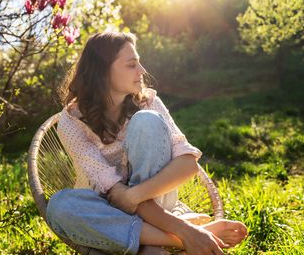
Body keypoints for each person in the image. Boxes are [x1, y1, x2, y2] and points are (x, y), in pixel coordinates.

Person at [46, 31, 247, 255]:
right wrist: (187, 232)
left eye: (139, 63)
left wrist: (133, 195)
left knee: (147, 121)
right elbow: (113, 193)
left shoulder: (149, 103)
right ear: (102, 72)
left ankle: (152, 244)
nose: (142, 71)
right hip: (107, 214)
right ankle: (182, 236)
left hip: (159, 204)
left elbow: (188, 163)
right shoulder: (71, 122)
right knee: (59, 206)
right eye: (132, 65)